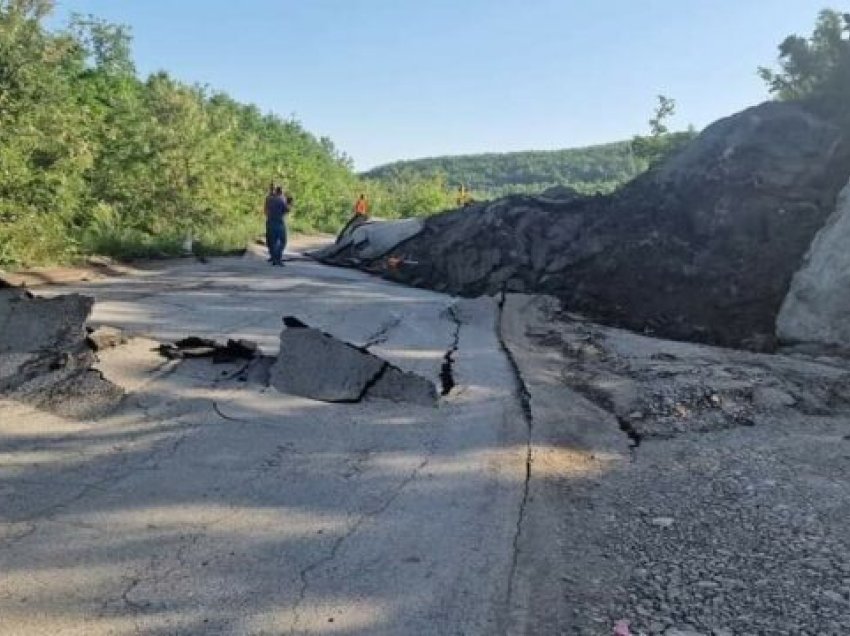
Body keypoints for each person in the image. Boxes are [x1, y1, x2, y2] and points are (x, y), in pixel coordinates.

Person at [265, 186, 289, 266]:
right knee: (283, 240)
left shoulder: (269, 199)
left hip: (270, 222)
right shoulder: (281, 200)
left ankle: (273, 257)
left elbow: (265, 210)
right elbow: (286, 210)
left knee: (272, 241)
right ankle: (277, 258)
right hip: (279, 222)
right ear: (281, 192)